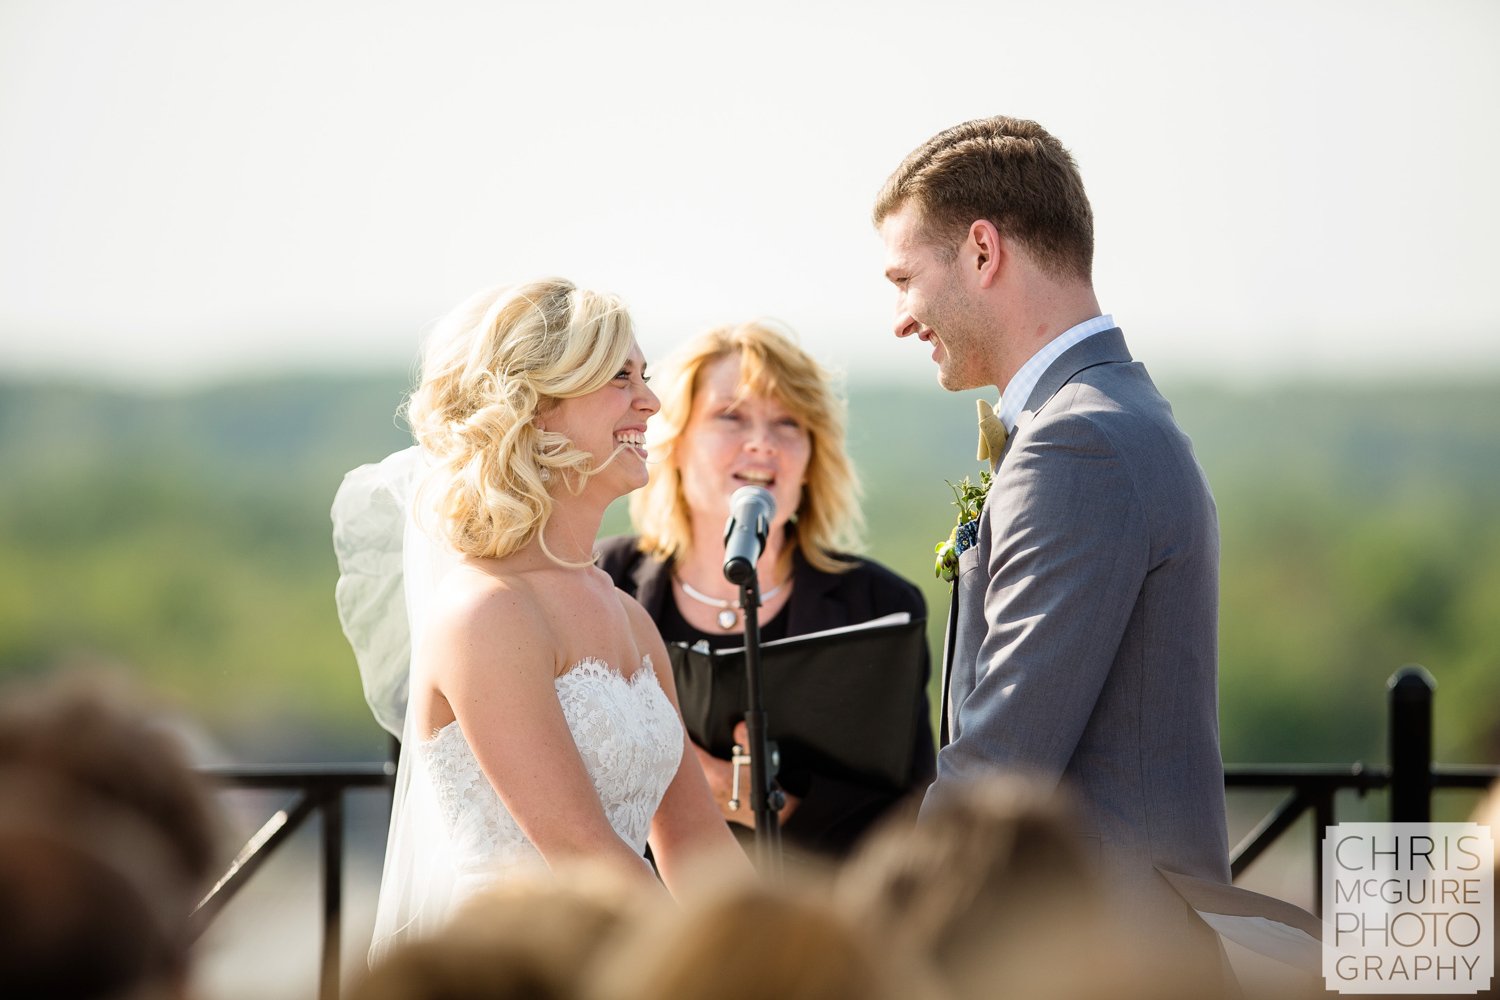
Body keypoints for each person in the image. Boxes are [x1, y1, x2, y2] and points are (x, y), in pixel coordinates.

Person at [874, 118, 1231, 950]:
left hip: (1097, 951)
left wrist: (871, 936)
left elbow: (1000, 760)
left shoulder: (1081, 445)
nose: (899, 318)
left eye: (904, 278)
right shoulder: (1114, 412)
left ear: (982, 251)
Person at [362, 278, 746, 962]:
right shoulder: (485, 614)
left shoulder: (627, 615)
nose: (651, 401)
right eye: (619, 377)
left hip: (628, 953)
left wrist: (786, 954)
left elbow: (693, 841)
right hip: (521, 966)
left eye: (645, 376)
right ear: (536, 408)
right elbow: (581, 851)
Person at [595, 320, 935, 857]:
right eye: (730, 417)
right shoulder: (603, 580)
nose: (762, 442)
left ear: (812, 456)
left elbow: (910, 813)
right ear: (675, 444)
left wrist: (752, 800)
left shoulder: (878, 606)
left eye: (787, 423)